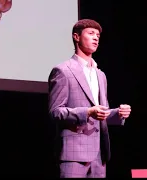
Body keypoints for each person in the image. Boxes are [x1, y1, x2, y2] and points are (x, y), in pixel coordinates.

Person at [48, 19, 132, 178]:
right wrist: (86, 112)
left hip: (99, 155)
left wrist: (118, 113)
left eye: (98, 35)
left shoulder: (101, 75)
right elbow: (55, 112)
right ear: (76, 37)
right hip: (73, 154)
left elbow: (102, 114)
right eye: (91, 33)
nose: (96, 38)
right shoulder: (63, 71)